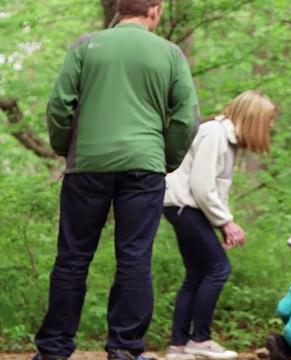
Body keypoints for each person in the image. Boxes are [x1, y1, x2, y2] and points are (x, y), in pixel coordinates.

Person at [33, 0, 199, 359]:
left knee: (73, 257)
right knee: (135, 257)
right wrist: (166, 160)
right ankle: (124, 349)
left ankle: (53, 349)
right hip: (145, 168)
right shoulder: (171, 54)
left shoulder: (85, 45)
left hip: (88, 164)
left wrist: (67, 149)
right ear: (154, 11)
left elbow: (59, 105)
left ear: (120, 10)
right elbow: (186, 118)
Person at [163, 90, 277, 359]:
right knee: (218, 268)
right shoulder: (214, 134)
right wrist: (226, 223)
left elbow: (213, 189)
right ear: (254, 118)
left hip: (186, 208)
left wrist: (220, 222)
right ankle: (199, 340)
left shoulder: (227, 140)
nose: (271, 125)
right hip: (184, 207)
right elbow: (202, 187)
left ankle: (178, 347)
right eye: (269, 119)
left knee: (196, 275)